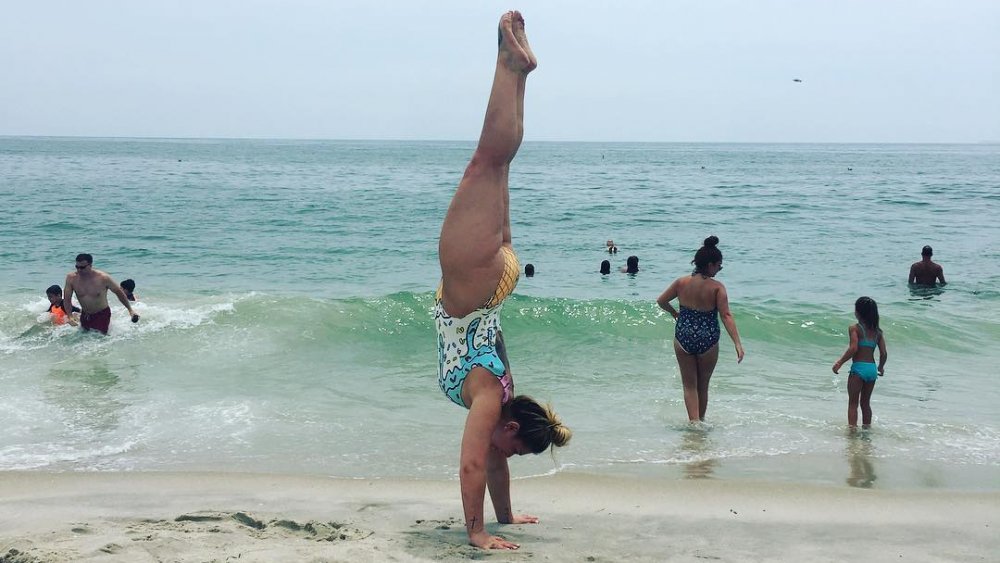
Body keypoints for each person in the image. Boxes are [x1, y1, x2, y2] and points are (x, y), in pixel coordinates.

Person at [434, 12, 570, 551]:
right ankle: (509, 65)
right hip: (472, 286)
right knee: (487, 162)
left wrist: (506, 518)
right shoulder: (490, 397)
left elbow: (487, 460)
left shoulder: (502, 391)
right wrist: (476, 534)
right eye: (513, 450)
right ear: (511, 428)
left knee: (499, 165)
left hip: (490, 288)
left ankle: (515, 73)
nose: (504, 455)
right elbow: (472, 462)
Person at [656, 236, 744, 422]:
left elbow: (661, 301)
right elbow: (726, 315)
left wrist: (674, 313)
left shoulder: (681, 283)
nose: (720, 269)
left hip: (683, 335)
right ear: (710, 265)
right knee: (702, 385)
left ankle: (693, 423)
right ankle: (700, 422)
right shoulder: (717, 288)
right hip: (708, 339)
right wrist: (737, 343)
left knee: (689, 386)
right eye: (719, 266)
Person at [832, 297, 888, 428]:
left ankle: (852, 432)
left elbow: (853, 348)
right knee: (865, 403)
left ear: (858, 312)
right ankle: (867, 431)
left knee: (853, 404)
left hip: (858, 369)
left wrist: (840, 362)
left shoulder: (855, 329)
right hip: (872, 370)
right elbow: (884, 353)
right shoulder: (878, 332)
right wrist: (881, 367)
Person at [63, 253, 139, 335]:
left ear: (90, 265)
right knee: (83, 339)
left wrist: (130, 310)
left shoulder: (103, 278)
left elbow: (119, 293)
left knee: (100, 340)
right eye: (77, 267)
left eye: (82, 267)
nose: (79, 270)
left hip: (102, 314)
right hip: (85, 315)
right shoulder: (71, 278)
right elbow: (67, 299)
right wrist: (70, 316)